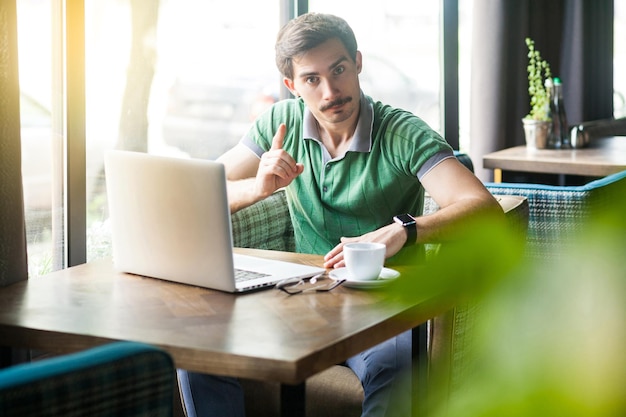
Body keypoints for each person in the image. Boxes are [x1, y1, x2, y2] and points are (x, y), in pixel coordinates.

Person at [178, 12, 502, 417]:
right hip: (302, 298)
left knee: (396, 369)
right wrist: (257, 187)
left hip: (383, 308)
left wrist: (405, 230)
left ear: (358, 63)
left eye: (339, 69)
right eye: (312, 79)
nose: (331, 90)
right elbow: (197, 193)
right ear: (292, 86)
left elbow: (484, 209)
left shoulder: (403, 134)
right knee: (199, 350)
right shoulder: (280, 123)